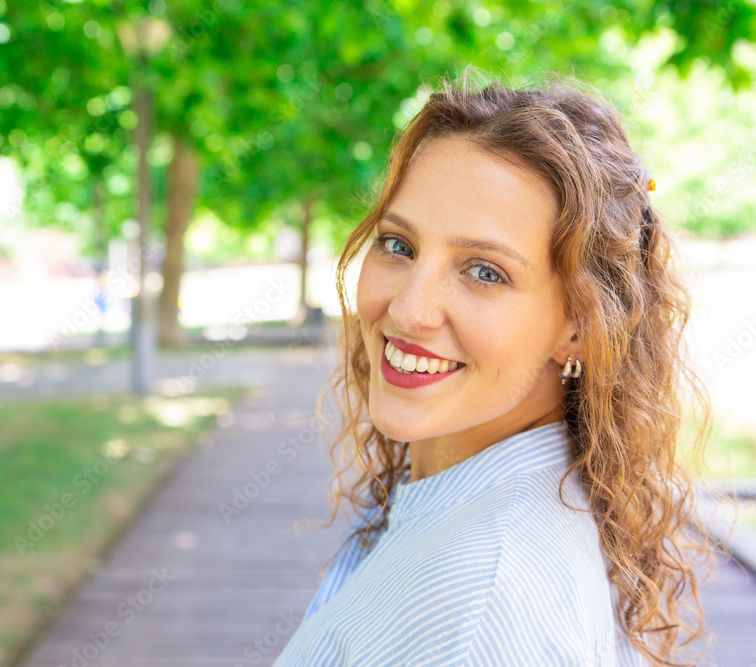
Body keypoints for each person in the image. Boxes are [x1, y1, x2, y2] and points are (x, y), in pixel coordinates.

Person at [272, 68, 724, 666]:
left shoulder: (473, 607)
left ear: (580, 327)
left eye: (485, 271)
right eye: (398, 245)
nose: (408, 311)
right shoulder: (480, 510)